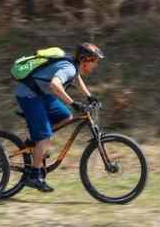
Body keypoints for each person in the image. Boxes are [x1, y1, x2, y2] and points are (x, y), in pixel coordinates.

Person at [16, 42, 104, 193]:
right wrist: (73, 103)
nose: (95, 65)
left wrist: (89, 96)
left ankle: (35, 142)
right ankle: (34, 176)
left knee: (66, 116)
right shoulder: (68, 68)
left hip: (41, 94)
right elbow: (54, 85)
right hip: (29, 95)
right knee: (45, 136)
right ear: (84, 60)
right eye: (94, 61)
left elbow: (76, 78)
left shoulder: (72, 66)